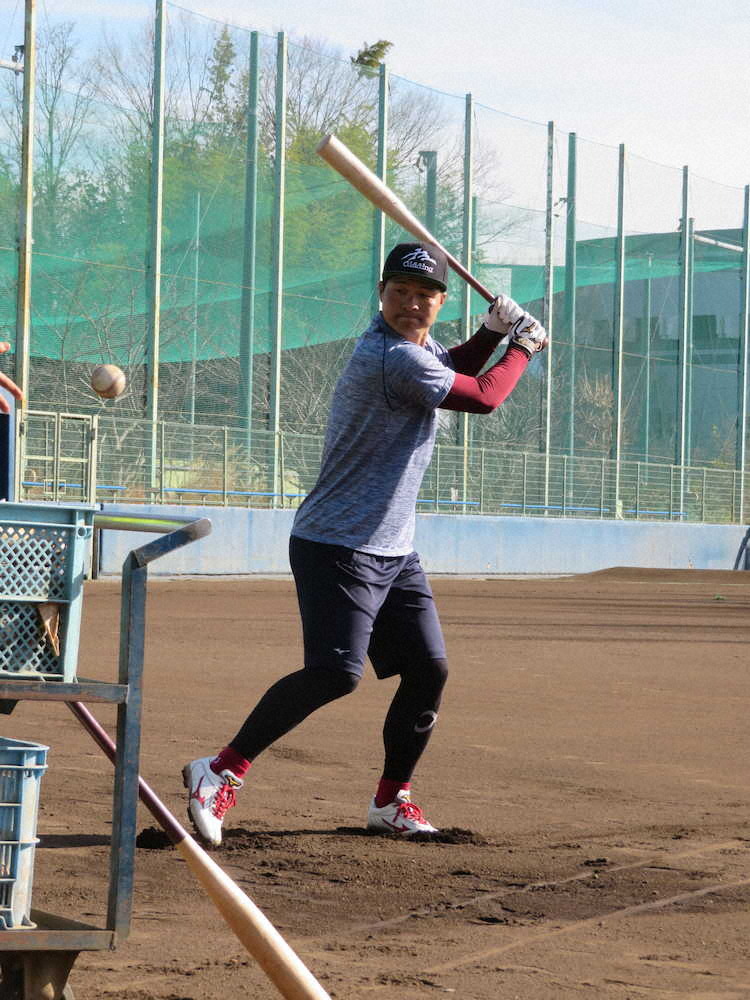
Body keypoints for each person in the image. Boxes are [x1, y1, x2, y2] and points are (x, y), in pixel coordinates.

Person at [183, 242, 547, 846]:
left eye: (424, 294)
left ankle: (390, 801)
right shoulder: (389, 356)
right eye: (399, 292)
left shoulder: (419, 351)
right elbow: (481, 396)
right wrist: (523, 347)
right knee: (334, 674)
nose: (411, 304)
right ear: (381, 295)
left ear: (440, 301)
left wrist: (491, 333)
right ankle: (219, 770)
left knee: (428, 669)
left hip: (393, 549)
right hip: (338, 544)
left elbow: (451, 364)